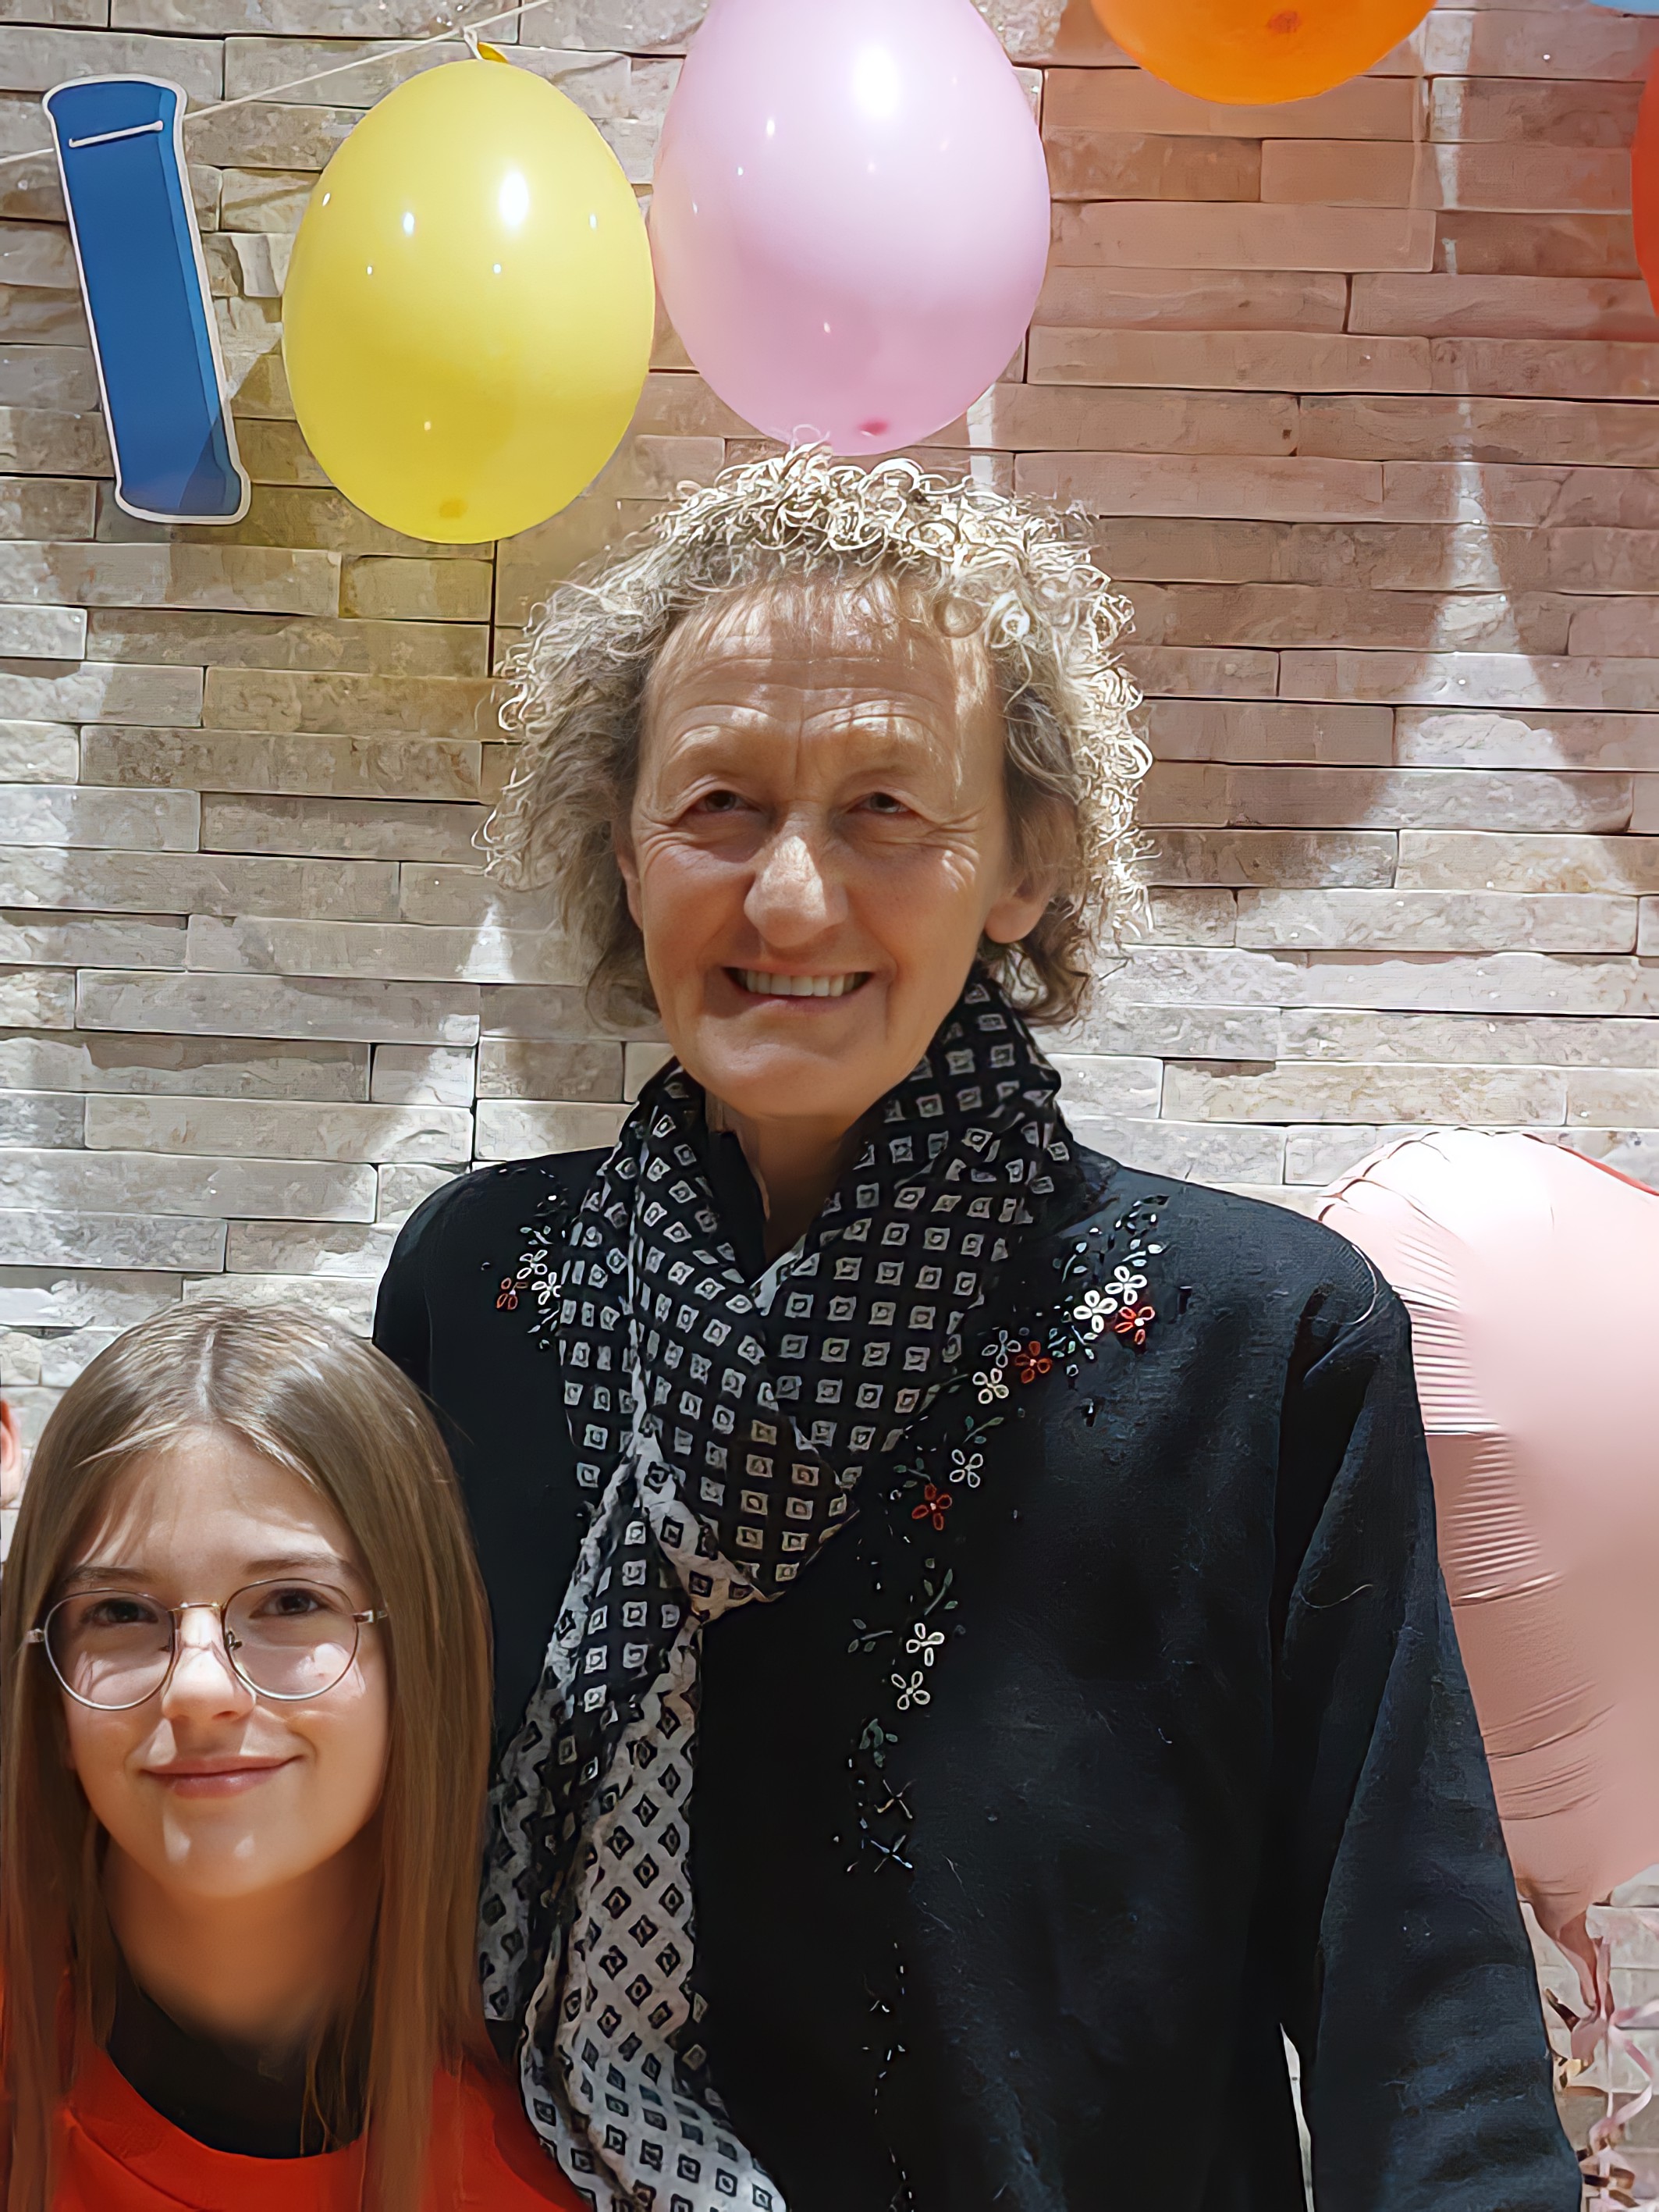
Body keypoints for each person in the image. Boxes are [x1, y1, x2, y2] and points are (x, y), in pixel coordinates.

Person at [375, 449, 1581, 2212]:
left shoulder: (1258, 1348)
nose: (791, 897)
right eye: (718, 805)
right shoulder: (477, 1289)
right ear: (623, 851)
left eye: (885, 807)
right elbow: (354, 1882)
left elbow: (1424, 2021)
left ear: (1026, 859)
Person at [0, 1303, 585, 2212]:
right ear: (47, 1694)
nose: (198, 1686)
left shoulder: (565, 2166)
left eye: (290, 1601)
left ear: (423, 1655)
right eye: (120, 1611)